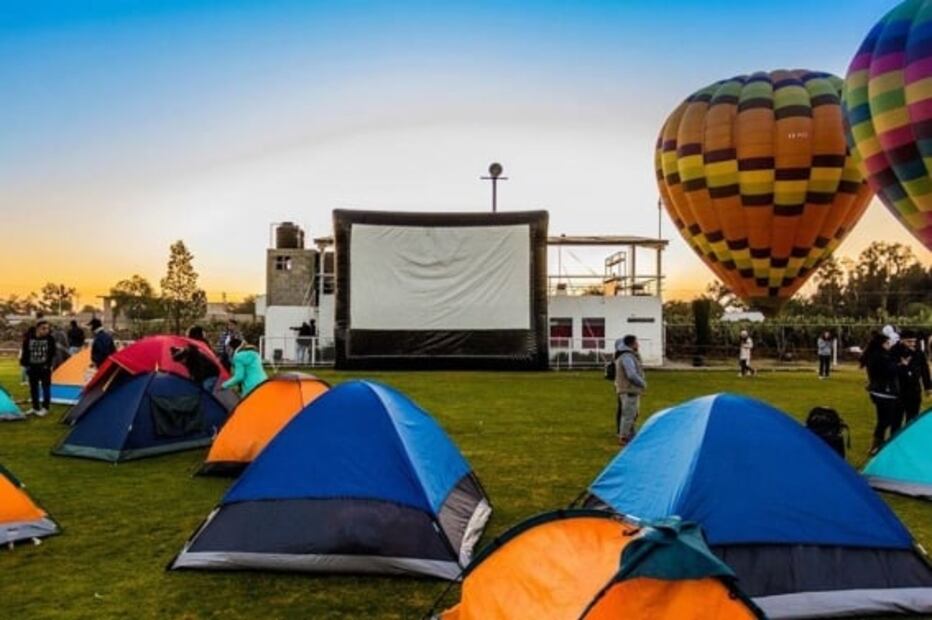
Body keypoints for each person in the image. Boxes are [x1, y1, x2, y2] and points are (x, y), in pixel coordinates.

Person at [860, 332, 908, 455]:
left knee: (884, 420)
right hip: (884, 392)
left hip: (879, 392)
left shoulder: (875, 355)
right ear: (881, 344)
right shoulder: (880, 356)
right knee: (885, 421)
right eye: (887, 343)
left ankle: (877, 445)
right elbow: (888, 371)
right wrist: (901, 365)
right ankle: (875, 446)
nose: (889, 345)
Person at [613, 335, 646, 447]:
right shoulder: (627, 357)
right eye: (637, 342)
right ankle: (624, 436)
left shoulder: (626, 355)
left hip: (628, 389)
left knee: (633, 413)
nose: (638, 344)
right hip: (629, 389)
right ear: (632, 344)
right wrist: (642, 383)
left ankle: (630, 434)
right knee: (628, 414)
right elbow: (631, 374)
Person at [19, 320, 56, 416]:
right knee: (33, 388)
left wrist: (48, 365)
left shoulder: (50, 339)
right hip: (32, 368)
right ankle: (35, 407)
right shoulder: (29, 339)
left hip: (44, 368)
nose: (46, 330)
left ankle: (45, 408)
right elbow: (25, 352)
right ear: (38, 328)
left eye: (48, 328)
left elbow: (52, 353)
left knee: (45, 388)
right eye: (44, 328)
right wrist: (25, 365)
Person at [895, 330, 931, 424]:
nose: (912, 344)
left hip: (914, 389)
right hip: (899, 390)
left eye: (914, 341)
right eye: (909, 341)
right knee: (896, 419)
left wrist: (927, 387)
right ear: (902, 340)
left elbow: (924, 370)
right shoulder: (894, 352)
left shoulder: (918, 353)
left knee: (912, 418)